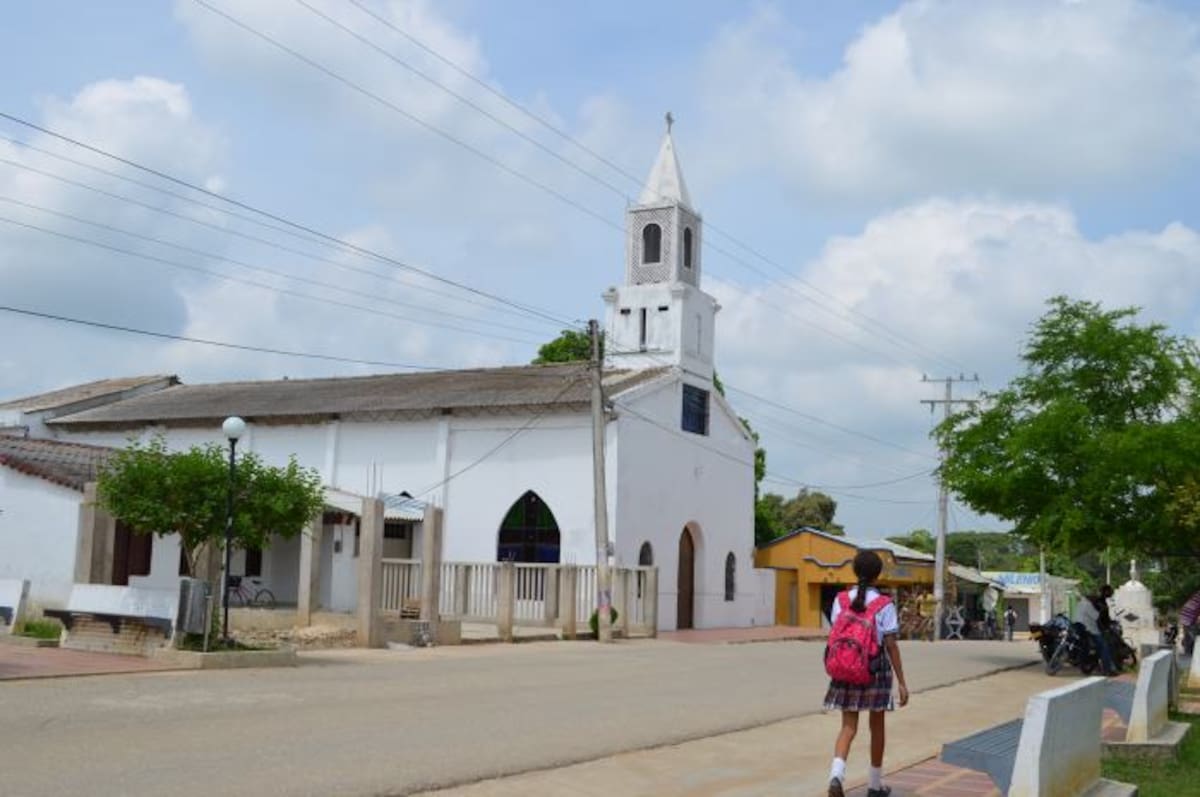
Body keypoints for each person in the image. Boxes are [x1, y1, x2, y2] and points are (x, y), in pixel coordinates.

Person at [825, 550, 910, 797]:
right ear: (878, 574)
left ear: (854, 570)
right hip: (875, 669)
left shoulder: (840, 600)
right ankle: (874, 786)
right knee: (877, 726)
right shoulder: (884, 604)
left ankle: (836, 776)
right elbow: (891, 645)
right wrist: (902, 682)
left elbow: (836, 636)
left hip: (846, 668)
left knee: (848, 727)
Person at [1076, 585, 1117, 676]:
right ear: (1105, 592)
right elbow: (1097, 617)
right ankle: (1108, 669)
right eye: (1110, 591)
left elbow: (1103, 616)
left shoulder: (1089, 603)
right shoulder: (1098, 602)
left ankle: (1099, 665)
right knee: (1104, 647)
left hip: (1085, 627)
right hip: (1092, 628)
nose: (1111, 593)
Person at [1180, 589, 1200, 656]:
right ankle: (1189, 655)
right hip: (1189, 617)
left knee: (1189, 638)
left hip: (1186, 615)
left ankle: (1188, 652)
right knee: (1195, 639)